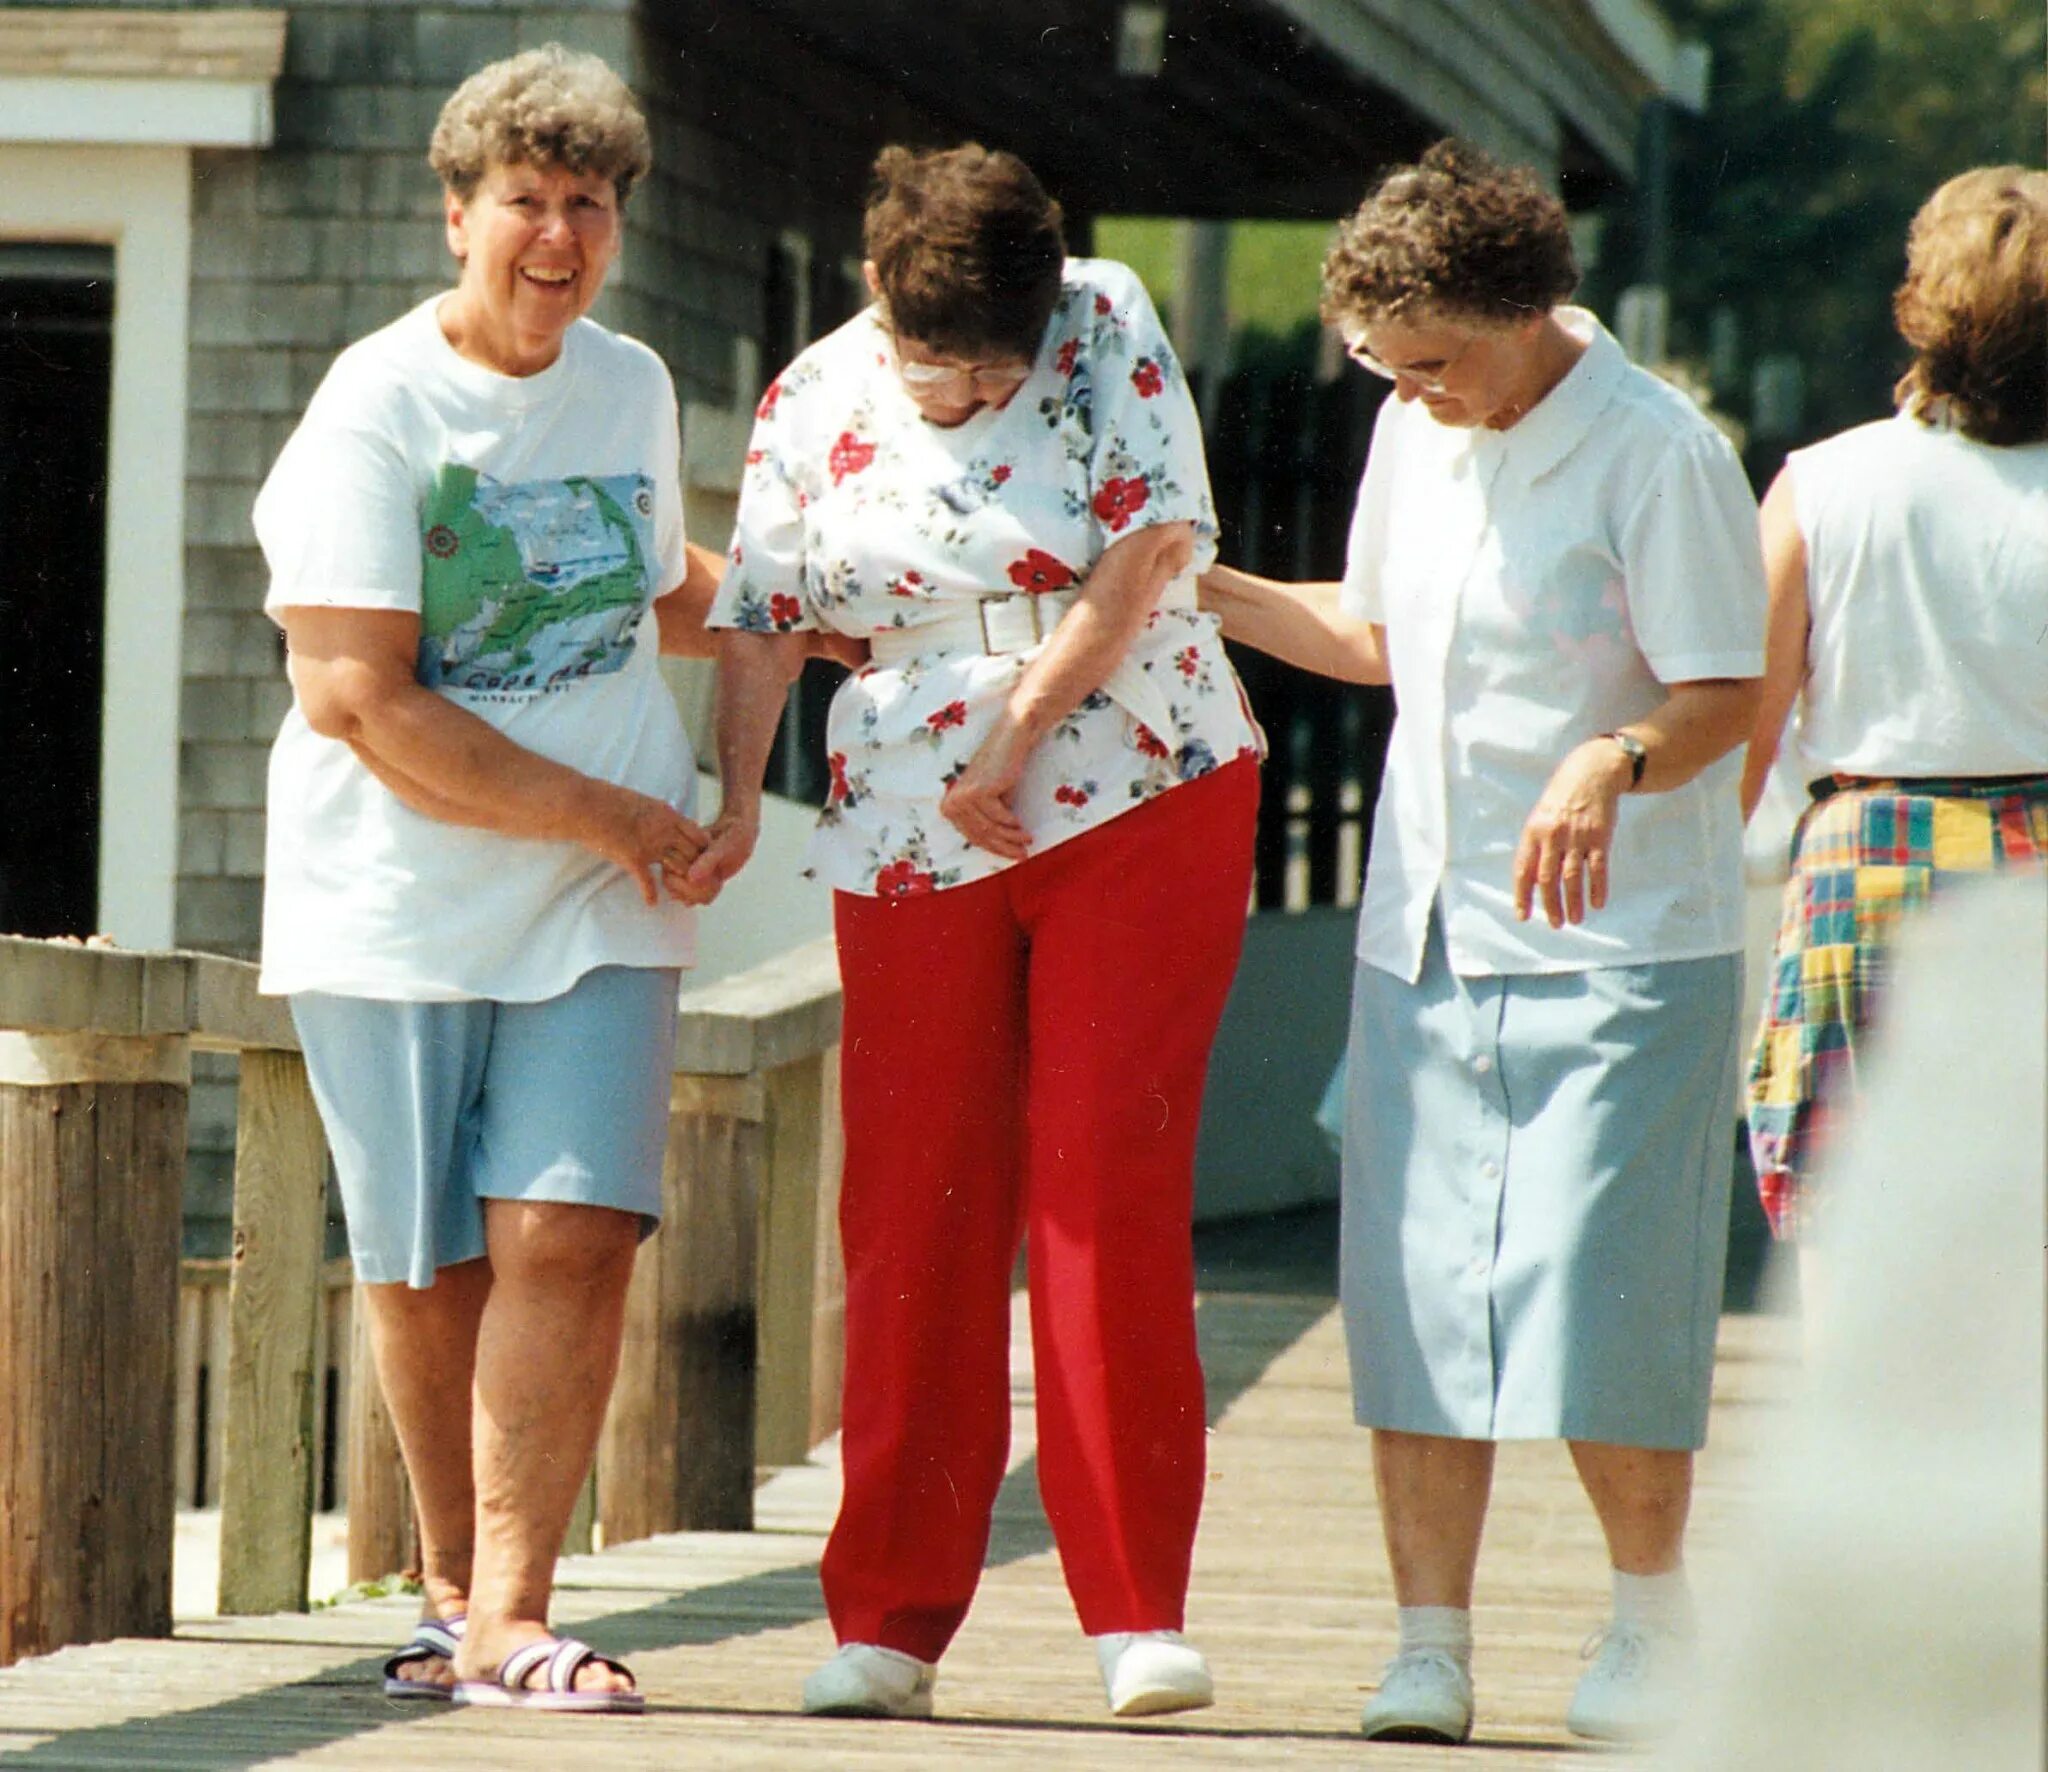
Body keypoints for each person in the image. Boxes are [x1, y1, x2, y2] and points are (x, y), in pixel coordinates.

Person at [1199, 140, 1765, 1746]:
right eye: (1387, 363)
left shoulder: (1660, 452)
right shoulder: (1411, 431)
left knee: (1598, 1290)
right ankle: (1428, 1646)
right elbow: (1372, 637)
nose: (1412, 389)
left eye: (1434, 360)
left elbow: (1723, 682)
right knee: (1421, 1293)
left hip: (1620, 941)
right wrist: (1210, 586)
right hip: (1428, 929)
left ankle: (1653, 1621)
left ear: (1526, 313)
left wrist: (1614, 756)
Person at [688, 143, 1263, 1722]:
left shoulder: (1107, 314)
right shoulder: (811, 393)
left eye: (997, 367)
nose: (967, 393)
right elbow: (759, 611)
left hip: (1133, 771)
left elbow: (1148, 550)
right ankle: (888, 1616)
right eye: (941, 367)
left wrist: (1013, 740)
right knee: (914, 1198)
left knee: (1100, 1182)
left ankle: (1136, 1611)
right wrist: (738, 797)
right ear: (880, 295)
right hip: (905, 811)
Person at [254, 45, 726, 1713]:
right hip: (392, 894)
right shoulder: (373, 408)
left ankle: (518, 1608)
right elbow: (357, 696)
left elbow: (654, 580)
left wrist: (821, 598)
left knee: (571, 1226)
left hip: (601, 891)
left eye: (585, 205)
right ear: (457, 214)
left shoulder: (633, 385)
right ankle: (458, 1599)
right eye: (522, 201)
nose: (555, 236)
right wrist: (609, 810)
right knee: (430, 1255)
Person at [1740, 166, 2048, 1269]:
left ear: (1919, 299)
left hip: (1863, 873)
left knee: (1854, 1236)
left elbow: (1743, 729)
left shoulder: (1822, 485)